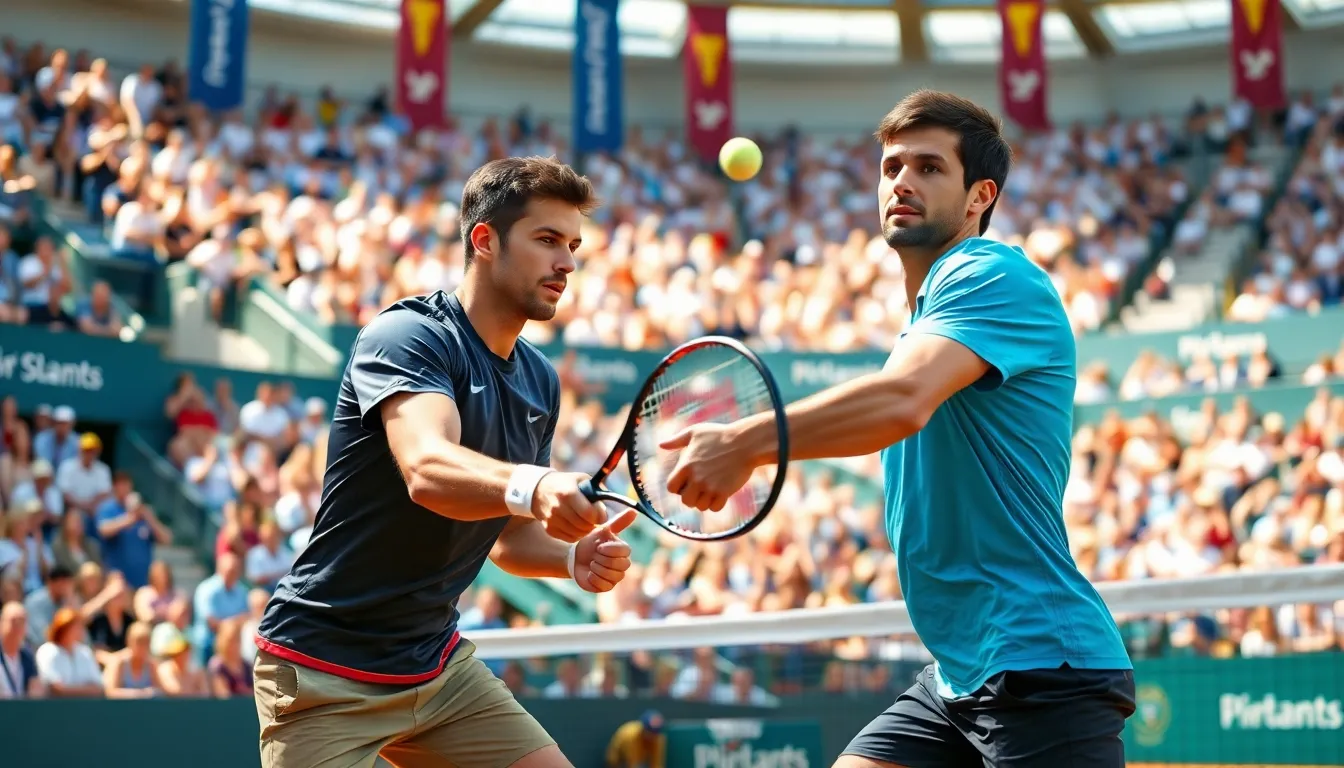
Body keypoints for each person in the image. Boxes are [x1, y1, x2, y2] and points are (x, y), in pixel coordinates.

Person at [661, 91, 1136, 768]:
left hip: (1040, 669)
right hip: (957, 677)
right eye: (891, 168)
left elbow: (902, 401)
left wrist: (743, 442)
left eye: (929, 167)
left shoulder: (991, 274)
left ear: (979, 197)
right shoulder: (926, 316)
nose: (902, 181)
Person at [253, 156, 636, 768]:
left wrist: (570, 556)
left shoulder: (540, 379)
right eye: (546, 240)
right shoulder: (407, 336)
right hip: (325, 669)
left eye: (572, 245)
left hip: (438, 669)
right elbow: (429, 471)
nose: (566, 262)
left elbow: (507, 539)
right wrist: (535, 486)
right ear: (484, 240)